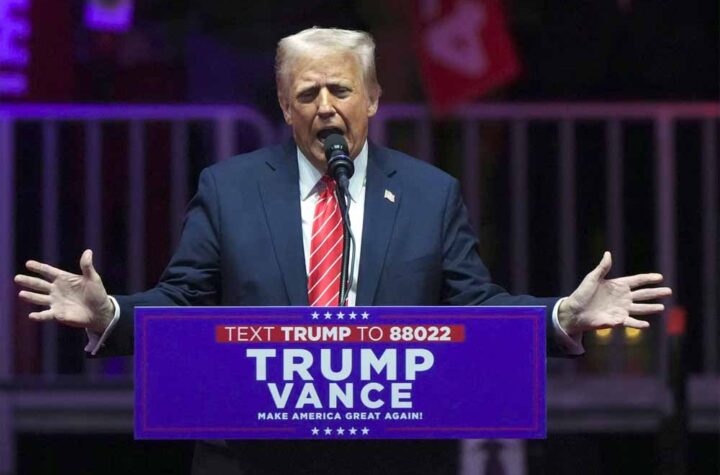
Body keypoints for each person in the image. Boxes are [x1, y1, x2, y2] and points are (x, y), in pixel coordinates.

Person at [14, 27, 671, 475]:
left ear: (374, 99)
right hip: (253, 456)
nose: (325, 107)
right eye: (307, 93)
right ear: (284, 106)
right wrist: (112, 314)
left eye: (341, 90)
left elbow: (476, 307)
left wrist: (560, 315)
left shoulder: (430, 193)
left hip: (391, 457)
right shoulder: (229, 189)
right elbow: (182, 300)